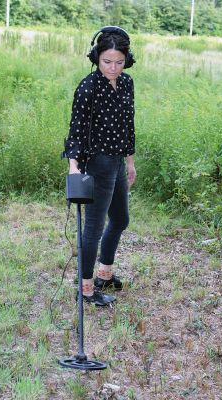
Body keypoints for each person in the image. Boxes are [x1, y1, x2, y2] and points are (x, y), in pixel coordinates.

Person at [64, 26, 136, 306]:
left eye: (119, 62)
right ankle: (85, 288)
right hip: (96, 164)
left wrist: (130, 162)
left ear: (127, 60)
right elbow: (76, 131)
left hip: (117, 162)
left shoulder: (128, 83)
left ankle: (105, 273)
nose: (113, 67)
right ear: (96, 57)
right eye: (107, 61)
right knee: (92, 229)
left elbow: (129, 125)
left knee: (120, 220)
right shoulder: (88, 87)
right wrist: (74, 166)